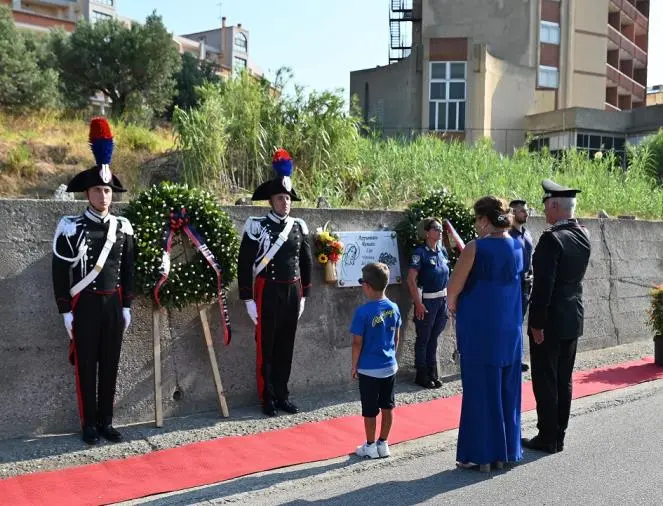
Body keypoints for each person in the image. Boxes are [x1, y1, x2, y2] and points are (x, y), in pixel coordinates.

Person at [51, 118, 134, 445]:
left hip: (113, 304)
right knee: (86, 365)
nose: (104, 196)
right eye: (99, 190)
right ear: (87, 193)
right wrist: (65, 311)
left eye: (108, 190)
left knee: (111, 365)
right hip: (83, 305)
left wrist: (127, 305)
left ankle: (106, 421)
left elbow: (128, 269)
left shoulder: (124, 227)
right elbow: (60, 271)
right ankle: (88, 424)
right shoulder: (70, 226)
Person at [447, 196, 524, 472]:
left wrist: (453, 305)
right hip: (510, 327)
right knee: (507, 389)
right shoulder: (518, 244)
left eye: (476, 219)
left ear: (483, 219)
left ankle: (479, 454)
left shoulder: (475, 248)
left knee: (480, 389)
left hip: (481, 327)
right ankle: (505, 452)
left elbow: (452, 289)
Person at [237, 148, 313, 417]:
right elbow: (245, 263)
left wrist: (304, 295)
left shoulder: (298, 226)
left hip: (292, 290)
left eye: (288, 198)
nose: (285, 203)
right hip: (267, 291)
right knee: (266, 346)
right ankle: (266, 397)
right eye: (281, 198)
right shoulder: (256, 225)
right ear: (271, 200)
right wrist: (247, 299)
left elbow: (306, 262)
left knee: (286, 345)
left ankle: (282, 394)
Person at [522, 179, 591, 454]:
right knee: (564, 378)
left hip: (550, 320)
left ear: (554, 205)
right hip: (572, 317)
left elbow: (543, 287)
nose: (545, 212)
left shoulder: (552, 239)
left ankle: (547, 436)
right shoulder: (583, 234)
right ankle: (559, 433)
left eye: (546, 206)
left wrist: (536, 322)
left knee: (546, 378)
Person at [351, 263, 401, 459]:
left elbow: (357, 343)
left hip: (369, 369)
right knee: (388, 405)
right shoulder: (394, 307)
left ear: (368, 286)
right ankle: (384, 443)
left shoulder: (363, 312)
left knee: (369, 409)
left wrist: (354, 365)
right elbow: (396, 337)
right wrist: (392, 356)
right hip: (389, 365)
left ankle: (370, 445)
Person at [406, 217, 450, 389]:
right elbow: (411, 280)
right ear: (426, 232)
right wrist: (418, 303)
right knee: (423, 338)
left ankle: (432, 372)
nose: (439, 232)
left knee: (434, 337)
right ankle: (421, 375)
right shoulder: (420, 253)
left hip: (442, 301)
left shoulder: (442, 251)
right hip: (427, 301)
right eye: (436, 229)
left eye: (440, 229)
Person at [509, 199, 534, 372]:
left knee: (519, 322)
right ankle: (512, 357)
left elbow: (530, 258)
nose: (526, 214)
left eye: (526, 211)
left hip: (526, 285)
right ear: (513, 213)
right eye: (522, 211)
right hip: (513, 285)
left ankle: (518, 357)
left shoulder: (527, 233)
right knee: (512, 322)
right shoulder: (508, 235)